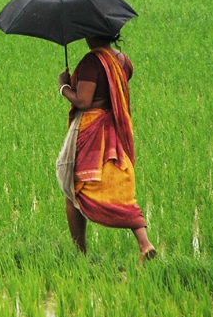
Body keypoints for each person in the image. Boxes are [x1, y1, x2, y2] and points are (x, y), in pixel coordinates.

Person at [56, 35, 156, 265]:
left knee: (73, 189)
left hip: (92, 132)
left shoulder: (93, 62)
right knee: (120, 190)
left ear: (92, 33)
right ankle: (144, 244)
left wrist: (63, 86)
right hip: (114, 130)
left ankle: (80, 254)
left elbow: (83, 101)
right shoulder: (122, 60)